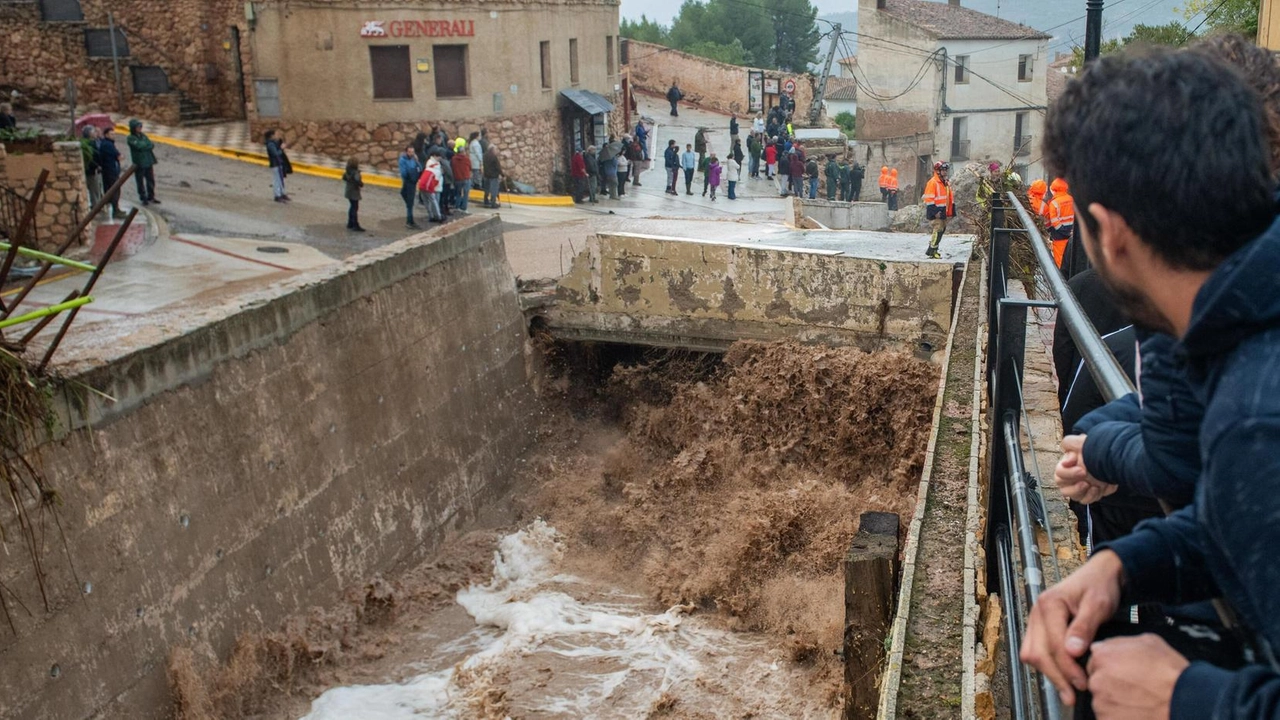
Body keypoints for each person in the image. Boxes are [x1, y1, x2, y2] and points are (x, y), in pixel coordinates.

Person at [1019, 48, 1280, 720]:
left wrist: (1184, 697)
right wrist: (1126, 566)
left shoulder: (1258, 420)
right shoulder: (1240, 337)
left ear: (1110, 234)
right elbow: (1236, 524)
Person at [923, 161, 954, 259]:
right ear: (938, 171)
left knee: (941, 230)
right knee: (938, 230)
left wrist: (950, 210)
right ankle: (932, 250)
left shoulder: (944, 182)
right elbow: (929, 199)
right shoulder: (933, 182)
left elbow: (948, 197)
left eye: (946, 170)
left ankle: (933, 249)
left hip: (943, 211)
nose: (945, 172)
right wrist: (935, 212)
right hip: (936, 212)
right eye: (943, 170)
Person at [126, 119, 158, 206]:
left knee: (150, 179)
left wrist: (145, 145)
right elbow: (139, 146)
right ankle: (143, 197)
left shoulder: (143, 136)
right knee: (140, 181)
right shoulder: (131, 138)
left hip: (148, 160)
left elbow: (151, 144)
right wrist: (145, 145)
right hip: (139, 162)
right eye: (138, 127)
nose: (140, 128)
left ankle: (151, 196)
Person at [97, 127, 125, 219]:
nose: (113, 136)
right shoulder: (107, 145)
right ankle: (115, 210)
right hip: (110, 171)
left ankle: (114, 207)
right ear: (106, 135)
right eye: (111, 134)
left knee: (113, 190)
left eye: (114, 134)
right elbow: (117, 155)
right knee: (115, 190)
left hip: (111, 170)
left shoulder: (109, 144)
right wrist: (119, 156)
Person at [1047, 178, 1075, 267]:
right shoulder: (1071, 199)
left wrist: (1063, 231)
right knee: (1070, 257)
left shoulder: (1054, 203)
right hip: (1071, 233)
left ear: (1054, 190)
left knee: (1060, 259)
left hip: (1060, 235)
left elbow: (1054, 221)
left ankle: (1061, 279)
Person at [398, 145, 422, 229]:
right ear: (406, 152)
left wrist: (417, 161)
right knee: (410, 203)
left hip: (413, 182)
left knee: (410, 203)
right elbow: (404, 172)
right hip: (409, 182)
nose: (411, 154)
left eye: (412, 152)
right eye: (409, 152)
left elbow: (420, 168)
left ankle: (410, 219)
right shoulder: (403, 160)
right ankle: (409, 220)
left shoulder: (413, 160)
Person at [81, 126, 103, 209]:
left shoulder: (95, 142)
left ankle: (97, 204)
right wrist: (97, 165)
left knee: (96, 188)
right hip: (92, 170)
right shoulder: (90, 144)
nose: (96, 133)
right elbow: (93, 157)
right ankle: (96, 206)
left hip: (94, 170)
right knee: (94, 189)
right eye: (94, 132)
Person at [342, 158, 365, 232]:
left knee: (352, 207)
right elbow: (358, 181)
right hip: (354, 192)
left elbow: (344, 178)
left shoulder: (347, 171)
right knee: (355, 207)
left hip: (348, 191)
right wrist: (361, 184)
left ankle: (350, 223)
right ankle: (355, 224)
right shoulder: (355, 173)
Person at [451, 143, 472, 212]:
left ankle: (457, 206)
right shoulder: (466, 159)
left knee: (458, 193)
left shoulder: (453, 159)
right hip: (466, 177)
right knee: (466, 193)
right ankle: (464, 207)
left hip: (457, 178)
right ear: (463, 152)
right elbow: (470, 167)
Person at [600, 135, 621, 200]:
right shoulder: (612, 157)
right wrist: (616, 158)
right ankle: (613, 195)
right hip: (612, 172)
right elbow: (615, 164)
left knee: (610, 184)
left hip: (607, 172)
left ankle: (611, 195)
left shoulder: (605, 156)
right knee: (615, 184)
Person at [482, 143, 502, 208]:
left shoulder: (484, 155)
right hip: (493, 175)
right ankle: (493, 203)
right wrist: (502, 174)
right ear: (492, 149)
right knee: (494, 189)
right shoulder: (494, 157)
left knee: (487, 189)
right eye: (495, 149)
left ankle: (486, 200)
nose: (496, 151)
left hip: (486, 174)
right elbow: (498, 167)